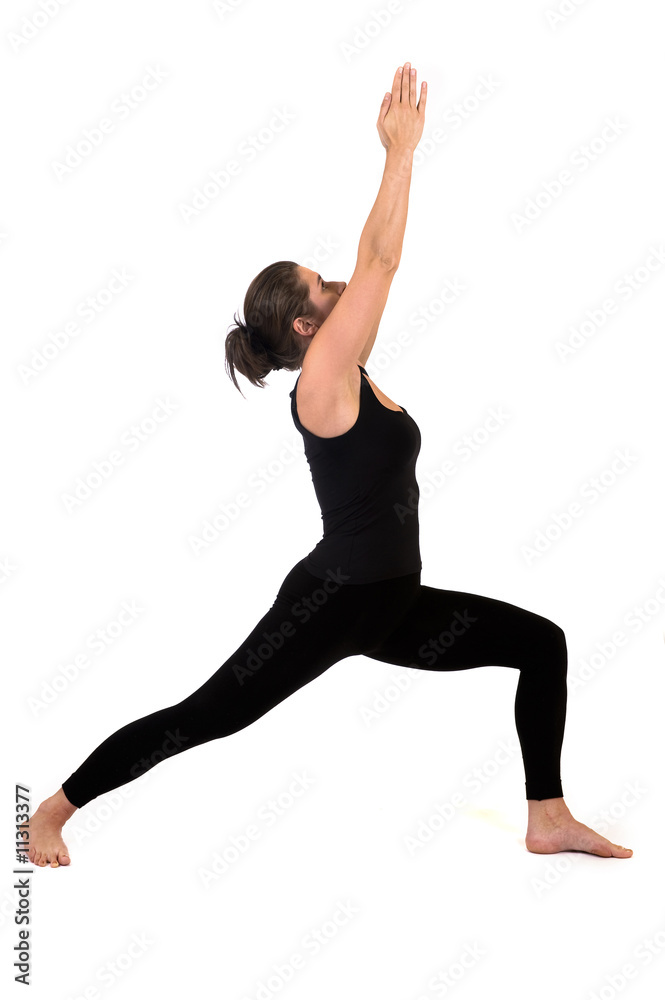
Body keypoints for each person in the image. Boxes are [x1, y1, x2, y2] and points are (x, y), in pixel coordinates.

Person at [27, 62, 632, 867]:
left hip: (392, 602)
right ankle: (52, 812)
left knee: (540, 643)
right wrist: (401, 152)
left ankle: (547, 816)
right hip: (331, 603)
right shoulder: (321, 384)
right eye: (320, 285)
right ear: (309, 330)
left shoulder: (346, 371)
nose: (335, 277)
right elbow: (379, 263)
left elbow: (376, 268)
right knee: (204, 716)